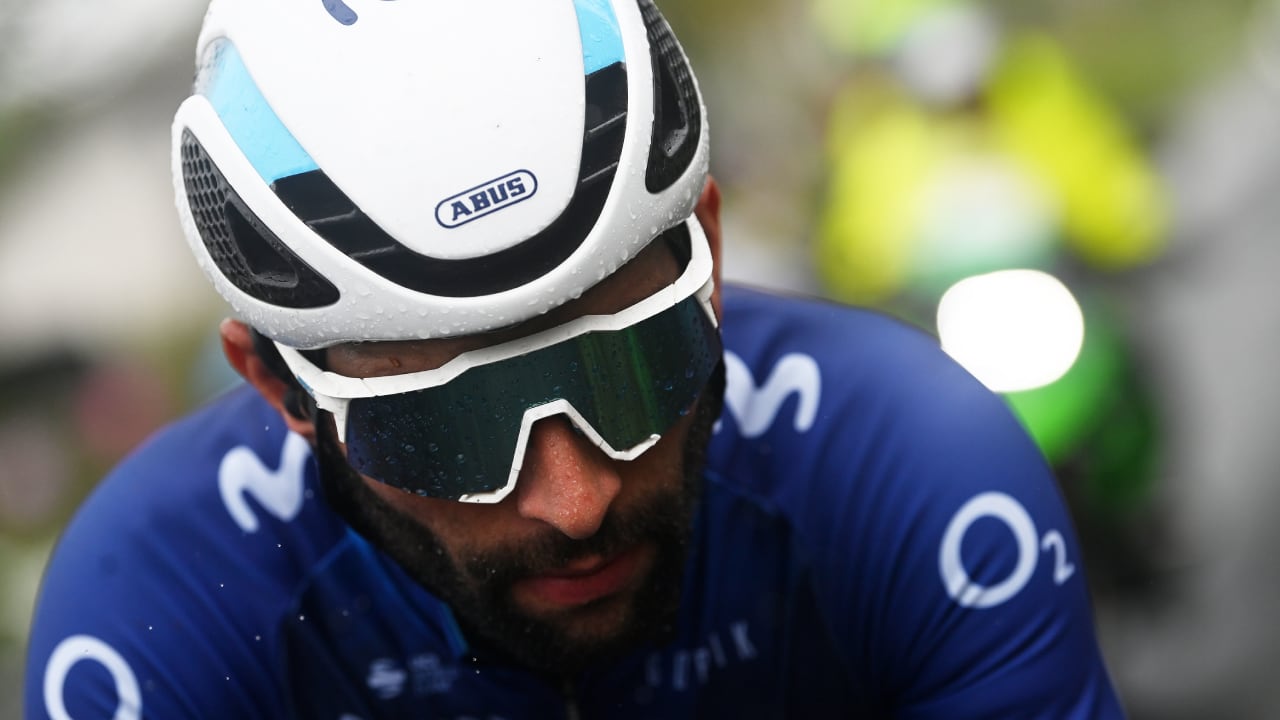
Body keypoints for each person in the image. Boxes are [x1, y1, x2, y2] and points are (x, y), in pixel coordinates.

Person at [24, 0, 1125, 717]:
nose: (575, 499)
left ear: (709, 255)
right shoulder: (155, 611)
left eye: (630, 368)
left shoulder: (910, 467)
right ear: (280, 385)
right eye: (448, 426)